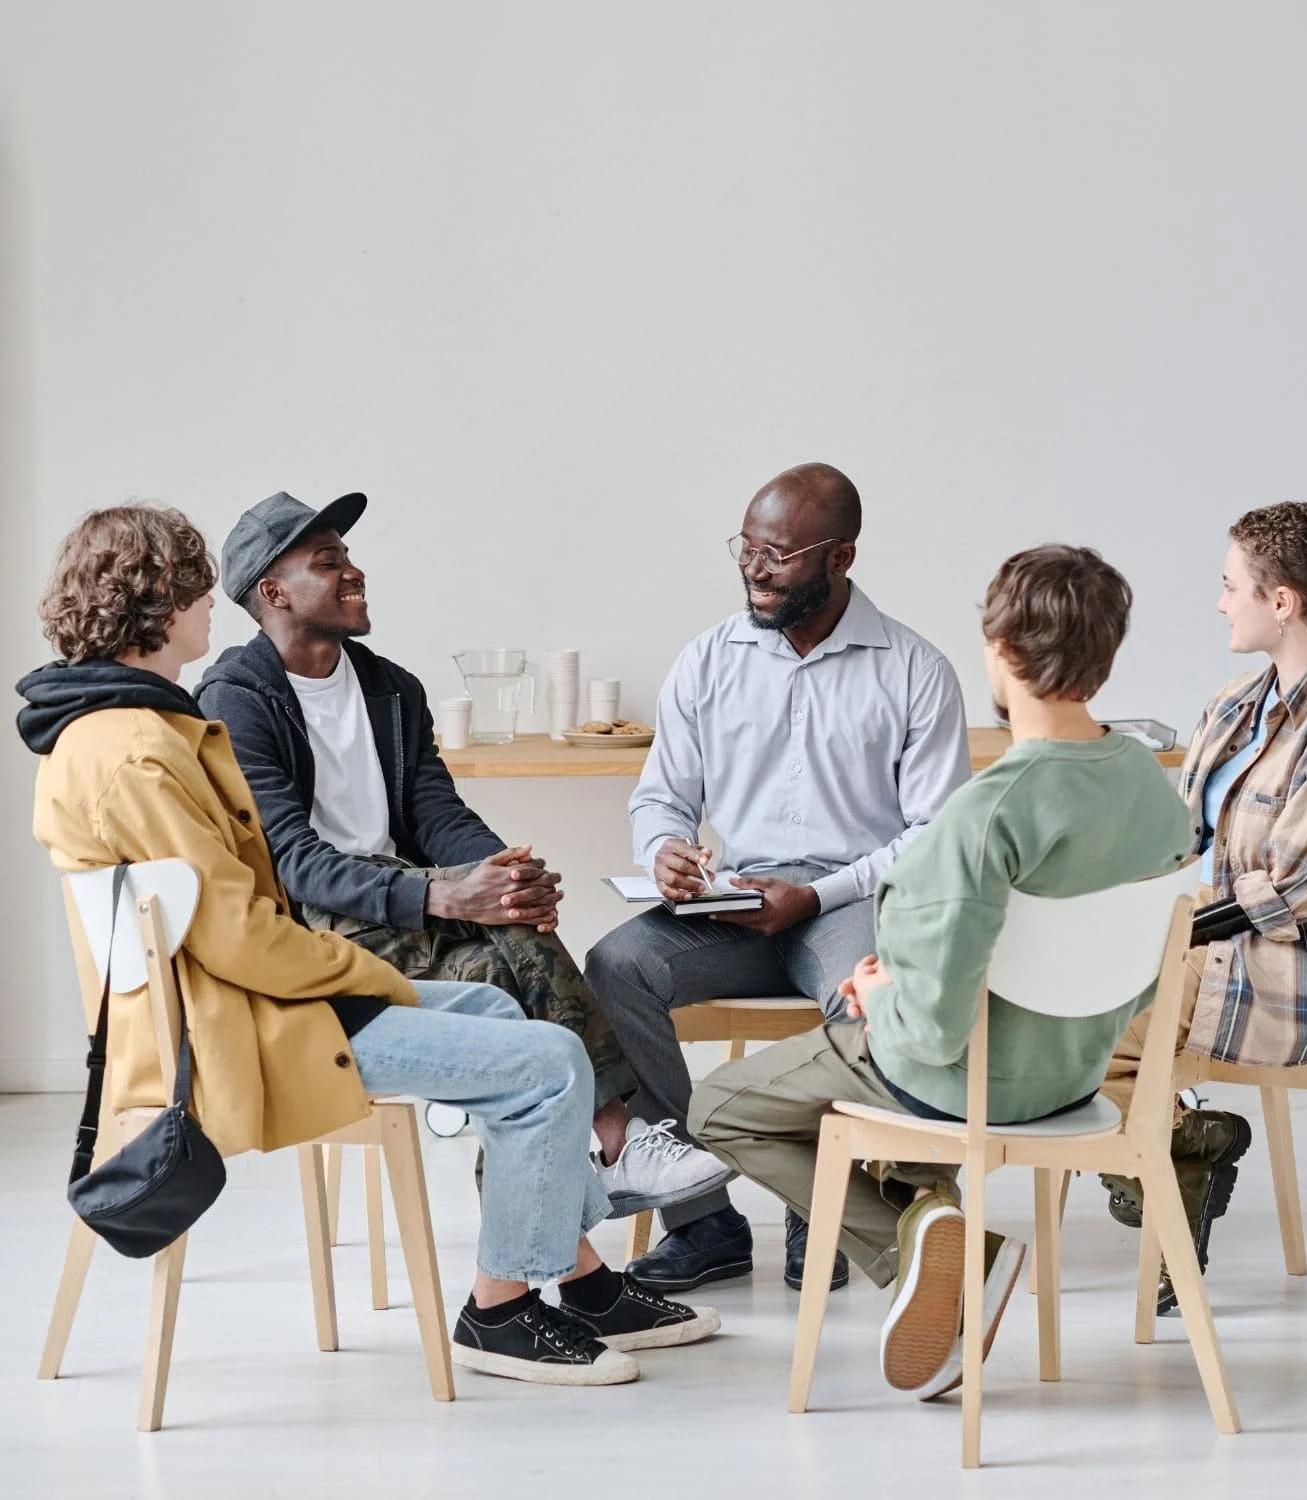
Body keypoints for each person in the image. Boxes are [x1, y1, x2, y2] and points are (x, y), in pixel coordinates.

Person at [18, 504, 719, 1388]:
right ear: (159, 604)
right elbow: (240, 933)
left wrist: (485, 884)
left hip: (265, 996)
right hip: (247, 1020)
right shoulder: (143, 749)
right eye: (195, 589)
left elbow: (276, 893)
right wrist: (366, 969)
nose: (207, 605)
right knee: (544, 1061)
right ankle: (499, 1313)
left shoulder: (134, 729)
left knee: (507, 1006)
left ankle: (577, 1276)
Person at [688, 544, 1192, 1396]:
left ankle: (935, 1245)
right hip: (1075, 1076)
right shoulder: (1149, 784)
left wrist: (882, 990)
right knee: (880, 1030)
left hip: (965, 1082)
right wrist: (906, 967)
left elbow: (929, 1028)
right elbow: (1129, 967)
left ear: (997, 649)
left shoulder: (984, 808)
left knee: (721, 1108)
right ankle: (936, 1227)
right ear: (1106, 655)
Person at [195, 491, 729, 1219]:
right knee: (512, 946)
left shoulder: (389, 688)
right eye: (329, 562)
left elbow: (435, 812)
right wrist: (448, 896)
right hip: (318, 930)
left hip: (401, 907)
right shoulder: (237, 698)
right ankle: (615, 1143)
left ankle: (547, 1192)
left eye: (350, 556)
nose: (354, 572)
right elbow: (293, 860)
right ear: (273, 592)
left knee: (509, 964)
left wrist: (500, 872)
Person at [585, 462, 972, 1293]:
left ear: (841, 558)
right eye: (747, 548)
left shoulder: (912, 668)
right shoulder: (708, 660)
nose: (755, 569)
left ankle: (823, 1206)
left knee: (867, 997)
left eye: (780, 554)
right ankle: (703, 1223)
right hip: (737, 902)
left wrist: (819, 895)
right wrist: (667, 853)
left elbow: (936, 835)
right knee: (615, 966)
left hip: (854, 899)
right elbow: (661, 797)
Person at [1098, 501, 1307, 1312]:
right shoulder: (1238, 702)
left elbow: (1297, 886)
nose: (1219, 600)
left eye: (1231, 585)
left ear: (1283, 602)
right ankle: (1188, 1151)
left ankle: (1175, 1166)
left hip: (1273, 969)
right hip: (1203, 943)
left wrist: (1173, 934)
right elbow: (1179, 838)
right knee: (1055, 1011)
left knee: (1074, 1031)